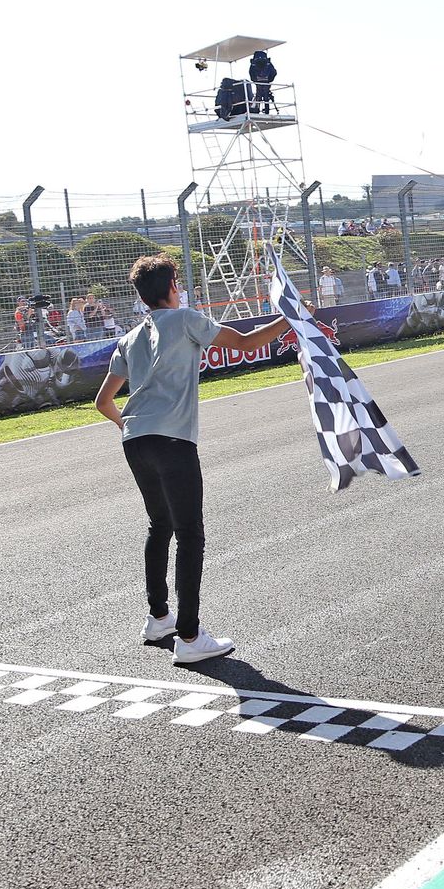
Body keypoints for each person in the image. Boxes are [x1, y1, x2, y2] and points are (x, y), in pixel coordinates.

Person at [93, 255, 297, 665]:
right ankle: (188, 636)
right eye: (178, 282)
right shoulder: (184, 318)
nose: (181, 289)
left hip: (136, 439)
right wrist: (291, 318)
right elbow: (244, 342)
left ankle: (159, 618)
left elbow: (103, 401)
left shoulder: (130, 336)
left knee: (160, 526)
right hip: (172, 440)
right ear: (170, 286)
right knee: (190, 535)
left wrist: (131, 427)